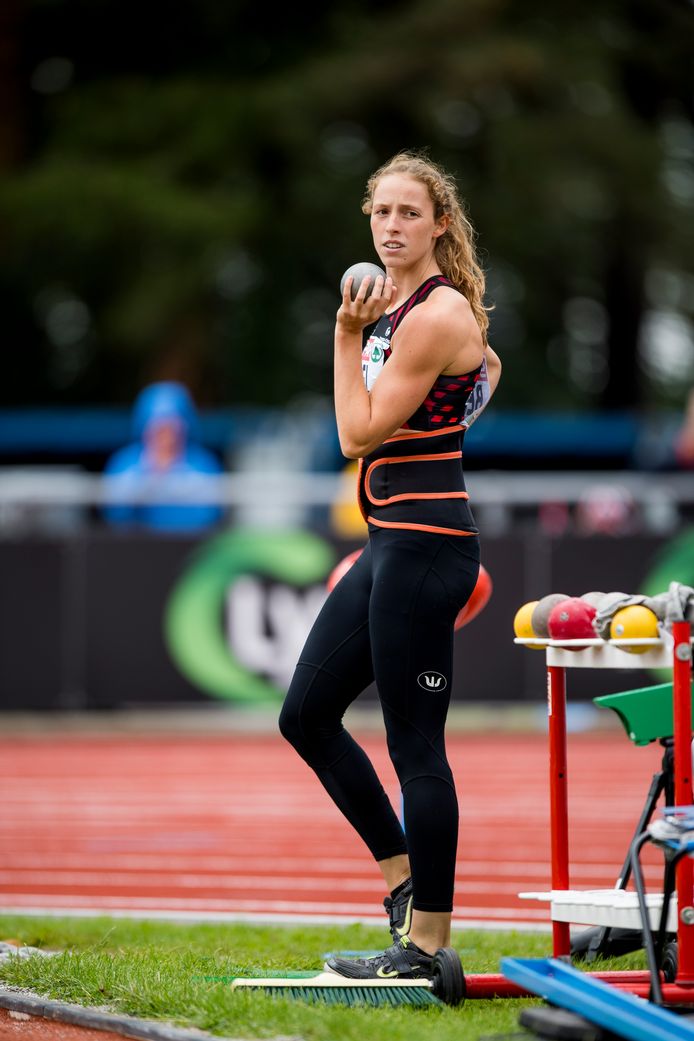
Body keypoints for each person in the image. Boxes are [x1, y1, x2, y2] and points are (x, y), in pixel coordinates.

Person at [279, 150, 502, 980]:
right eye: (380, 213)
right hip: (390, 545)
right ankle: (404, 880)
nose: (392, 226)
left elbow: (354, 433)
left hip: (427, 550)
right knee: (304, 714)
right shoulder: (404, 306)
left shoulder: (432, 314)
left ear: (439, 222)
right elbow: (481, 385)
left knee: (417, 749)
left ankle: (427, 946)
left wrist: (342, 334)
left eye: (409, 213)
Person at [102, 381, 225, 532]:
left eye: (171, 426)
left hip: (190, 549)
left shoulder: (204, 464)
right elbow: (115, 513)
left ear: (184, 426)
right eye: (158, 427)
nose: (165, 435)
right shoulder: (124, 463)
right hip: (136, 548)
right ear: (144, 426)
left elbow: (209, 515)